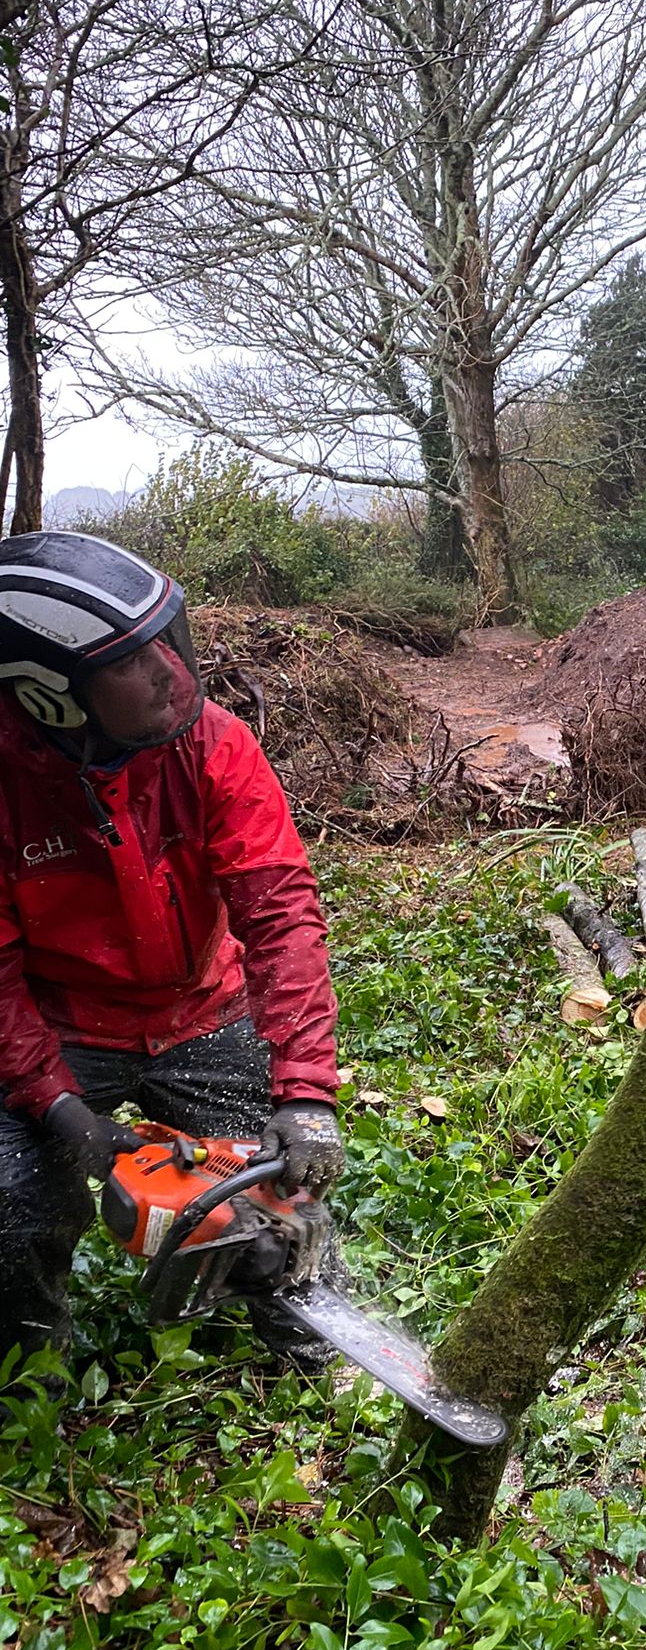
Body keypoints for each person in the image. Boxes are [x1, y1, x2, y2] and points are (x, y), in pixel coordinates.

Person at [0, 533, 344, 1382]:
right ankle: (31, 1380)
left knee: (270, 1196)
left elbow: (279, 913)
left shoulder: (214, 745)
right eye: (130, 664)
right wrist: (58, 1109)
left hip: (202, 1006)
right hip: (64, 1023)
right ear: (49, 695)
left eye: (164, 643)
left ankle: (318, 1356)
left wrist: (304, 1093)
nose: (165, 672)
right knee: (10, 1202)